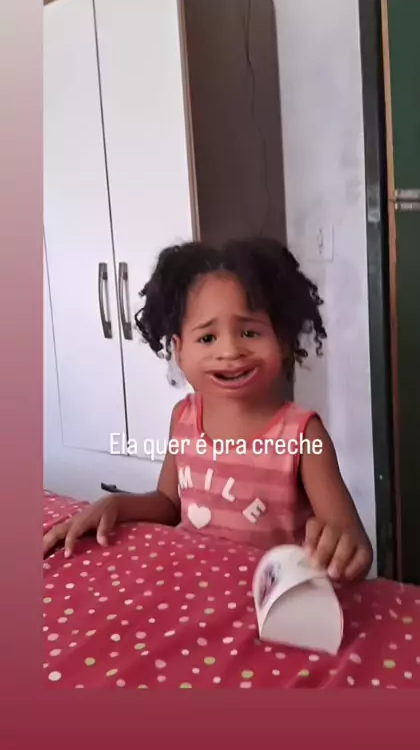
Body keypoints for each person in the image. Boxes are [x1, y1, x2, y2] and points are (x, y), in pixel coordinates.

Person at [43, 238, 373, 581]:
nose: (230, 351)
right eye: (207, 338)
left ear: (283, 341)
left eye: (249, 332)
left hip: (270, 600)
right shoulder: (183, 417)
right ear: (179, 350)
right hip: (193, 587)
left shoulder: (303, 434)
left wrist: (343, 547)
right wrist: (115, 505)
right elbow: (168, 503)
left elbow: (353, 542)